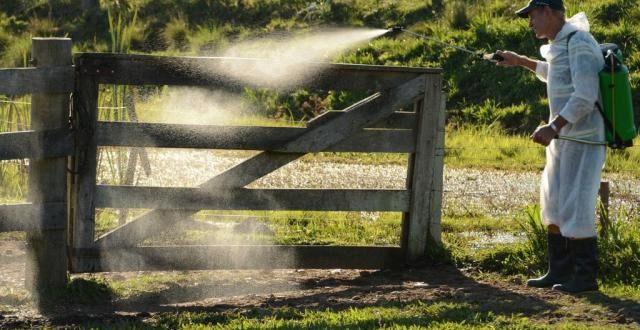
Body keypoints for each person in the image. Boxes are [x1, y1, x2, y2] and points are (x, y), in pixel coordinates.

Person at [494, 0, 605, 293]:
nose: (530, 22)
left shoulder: (579, 42)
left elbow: (585, 96)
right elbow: (554, 73)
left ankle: (584, 277)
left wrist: (553, 127)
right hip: (563, 139)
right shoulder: (562, 42)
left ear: (547, 11)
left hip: (583, 139)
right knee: (554, 202)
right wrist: (520, 61)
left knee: (577, 204)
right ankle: (559, 271)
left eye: (532, 15)